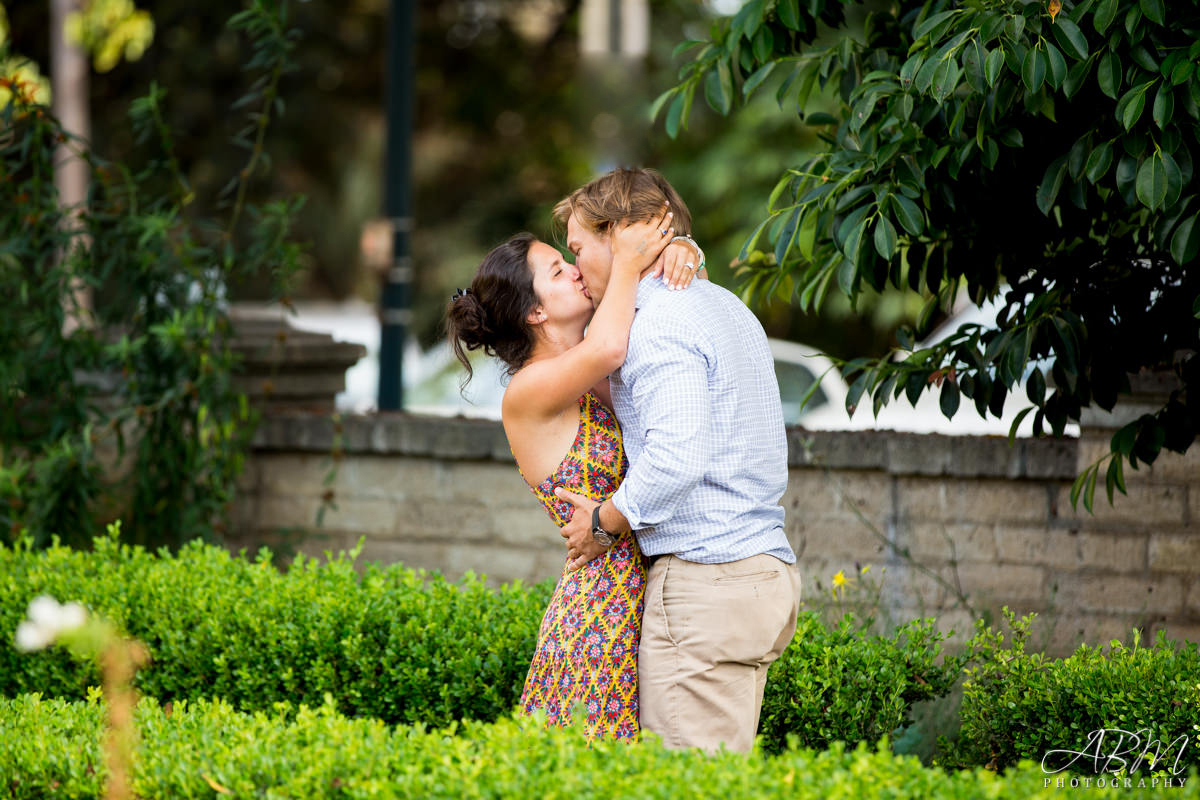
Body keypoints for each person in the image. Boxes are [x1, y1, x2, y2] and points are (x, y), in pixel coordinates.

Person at [552, 167, 801, 754]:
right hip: (762, 569)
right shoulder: (724, 304)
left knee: (686, 782)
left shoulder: (658, 327)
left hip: (707, 582)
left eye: (580, 247)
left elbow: (675, 461)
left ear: (624, 237)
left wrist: (603, 521)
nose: (578, 265)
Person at [445, 197, 703, 741]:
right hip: (600, 615)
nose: (576, 270)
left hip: (647, 593)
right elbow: (611, 345)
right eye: (558, 271)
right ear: (535, 312)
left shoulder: (584, 361)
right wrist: (632, 259)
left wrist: (682, 249)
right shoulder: (530, 391)